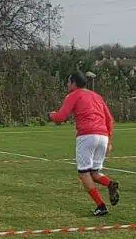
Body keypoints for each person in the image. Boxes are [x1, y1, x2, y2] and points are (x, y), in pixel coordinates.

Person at [49, 72, 120, 216]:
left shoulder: (73, 95)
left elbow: (61, 117)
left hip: (87, 135)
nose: (67, 85)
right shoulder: (97, 96)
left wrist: (51, 115)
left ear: (74, 83)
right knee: (94, 172)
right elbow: (110, 120)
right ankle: (110, 184)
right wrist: (109, 141)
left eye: (68, 82)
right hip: (103, 136)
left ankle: (101, 206)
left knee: (83, 173)